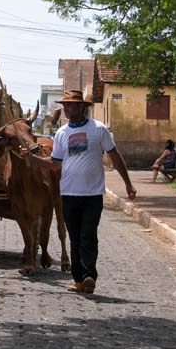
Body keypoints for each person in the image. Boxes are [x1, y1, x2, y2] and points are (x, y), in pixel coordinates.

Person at [49, 90, 136, 295]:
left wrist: (128, 183)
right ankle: (78, 280)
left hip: (92, 195)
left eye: (70, 105)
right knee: (74, 237)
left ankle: (89, 276)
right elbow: (54, 165)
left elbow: (115, 156)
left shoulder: (98, 129)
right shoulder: (61, 133)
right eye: (65, 105)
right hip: (69, 194)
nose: (66, 108)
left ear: (81, 107)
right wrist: (30, 160)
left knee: (88, 235)